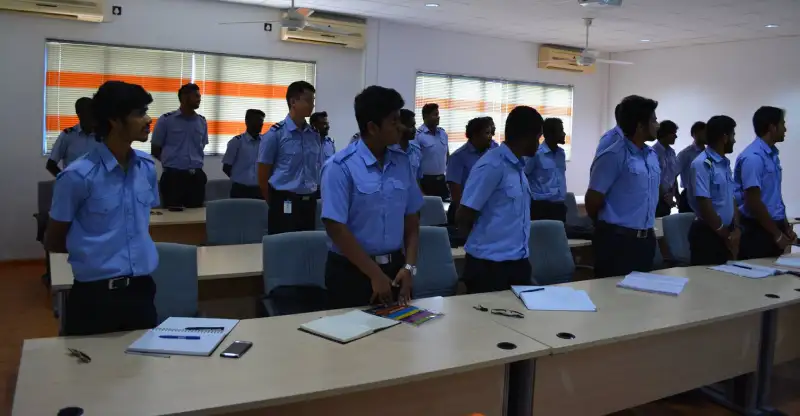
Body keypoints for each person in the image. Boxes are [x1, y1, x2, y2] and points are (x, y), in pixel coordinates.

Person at [44, 81, 159, 336]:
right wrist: (94, 254)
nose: (148, 119)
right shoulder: (78, 176)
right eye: (139, 113)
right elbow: (54, 239)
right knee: (89, 362)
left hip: (141, 291)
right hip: (95, 297)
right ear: (115, 120)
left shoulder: (146, 168)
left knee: (143, 360)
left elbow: (140, 224)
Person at [321, 86, 423, 308]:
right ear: (372, 127)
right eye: (394, 121)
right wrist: (374, 274)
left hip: (395, 269)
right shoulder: (340, 167)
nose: (401, 127)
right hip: (352, 272)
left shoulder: (402, 162)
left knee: (400, 329)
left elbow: (412, 219)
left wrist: (409, 267)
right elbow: (335, 227)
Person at [456, 106, 543, 294]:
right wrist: (484, 245)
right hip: (489, 267)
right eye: (538, 137)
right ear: (526, 137)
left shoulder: (518, 167)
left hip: (517, 263)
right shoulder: (492, 164)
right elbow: (464, 215)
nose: (539, 144)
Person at [586, 96, 660, 278]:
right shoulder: (613, 155)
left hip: (646, 240)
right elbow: (593, 200)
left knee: (643, 293)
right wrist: (607, 225)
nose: (657, 125)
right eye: (653, 120)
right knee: (612, 293)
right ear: (640, 126)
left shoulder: (651, 156)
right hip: (617, 242)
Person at [258, 80, 321, 235]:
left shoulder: (314, 135)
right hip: (284, 200)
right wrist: (274, 202)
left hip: (309, 201)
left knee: (307, 244)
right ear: (293, 102)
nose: (312, 105)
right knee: (283, 245)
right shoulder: (275, 134)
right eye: (308, 100)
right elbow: (262, 176)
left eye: (313, 100)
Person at [734, 106, 795, 259]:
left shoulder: (772, 155)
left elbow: (774, 196)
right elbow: (753, 202)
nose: (785, 129)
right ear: (772, 127)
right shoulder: (753, 157)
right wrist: (776, 234)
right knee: (759, 271)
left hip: (773, 226)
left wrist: (785, 227)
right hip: (758, 229)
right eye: (782, 124)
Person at [688, 115, 740, 265]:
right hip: (708, 235)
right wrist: (726, 234)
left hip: (726, 233)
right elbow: (704, 204)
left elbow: (731, 198)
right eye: (733, 135)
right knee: (707, 279)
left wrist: (736, 229)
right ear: (724, 137)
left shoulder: (724, 163)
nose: (734, 140)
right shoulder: (702, 163)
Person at [151, 83, 208, 209]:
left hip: (196, 177)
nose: (199, 99)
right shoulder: (166, 120)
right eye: (196, 96)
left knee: (196, 216)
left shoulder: (202, 121)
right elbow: (155, 149)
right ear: (184, 97)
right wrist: (173, 161)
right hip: (173, 178)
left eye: (199, 96)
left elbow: (200, 147)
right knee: (172, 216)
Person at [446, 117, 497, 224]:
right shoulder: (458, 157)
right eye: (487, 133)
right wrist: (465, 216)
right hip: (466, 211)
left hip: (489, 211)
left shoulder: (493, 152)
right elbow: (455, 191)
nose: (490, 137)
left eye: (491, 133)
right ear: (475, 135)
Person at [526, 117, 568, 222]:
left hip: (559, 206)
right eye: (560, 131)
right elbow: (523, 175)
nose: (564, 134)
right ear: (550, 134)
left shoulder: (561, 154)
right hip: (541, 207)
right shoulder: (536, 154)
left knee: (560, 232)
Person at [46, 97, 99, 177]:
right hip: (74, 183)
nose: (92, 116)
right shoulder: (68, 136)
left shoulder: (101, 136)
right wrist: (65, 179)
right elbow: (51, 164)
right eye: (88, 113)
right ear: (79, 114)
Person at [222, 109, 265, 199]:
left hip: (260, 189)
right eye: (257, 120)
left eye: (261, 121)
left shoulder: (266, 142)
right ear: (247, 122)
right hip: (240, 189)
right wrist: (239, 179)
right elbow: (226, 167)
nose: (260, 124)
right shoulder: (236, 142)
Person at [416, 103, 450, 199]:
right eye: (435, 114)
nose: (438, 117)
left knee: (444, 206)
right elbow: (414, 163)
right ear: (426, 116)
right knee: (428, 207)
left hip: (442, 180)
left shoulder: (443, 133)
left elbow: (447, 156)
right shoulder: (418, 135)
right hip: (426, 181)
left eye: (438, 114)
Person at [676, 121, 707, 213]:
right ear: (695, 134)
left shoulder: (709, 154)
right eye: (704, 132)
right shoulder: (685, 154)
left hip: (706, 195)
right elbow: (673, 174)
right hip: (689, 195)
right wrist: (677, 197)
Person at [653, 120, 679, 217]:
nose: (676, 136)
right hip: (656, 199)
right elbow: (654, 178)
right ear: (665, 134)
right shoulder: (653, 152)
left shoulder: (672, 152)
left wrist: (674, 194)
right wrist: (665, 197)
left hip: (667, 198)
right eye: (673, 133)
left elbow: (673, 175)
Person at [396, 109, 423, 182]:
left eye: (414, 125)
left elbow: (417, 180)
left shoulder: (416, 151)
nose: (415, 130)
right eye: (411, 126)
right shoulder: (387, 152)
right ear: (400, 126)